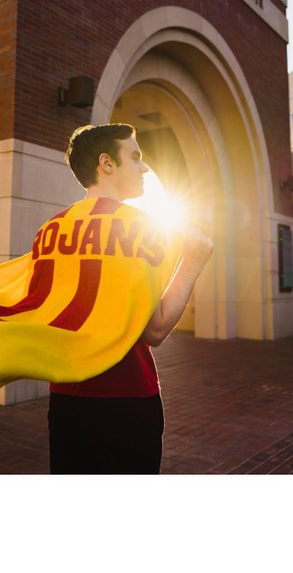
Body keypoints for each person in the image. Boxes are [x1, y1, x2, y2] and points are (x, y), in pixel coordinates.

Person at [48, 123, 213, 474]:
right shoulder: (141, 229)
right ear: (106, 163)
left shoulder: (50, 231)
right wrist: (192, 264)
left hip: (65, 398)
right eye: (135, 157)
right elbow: (155, 330)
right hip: (128, 398)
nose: (145, 167)